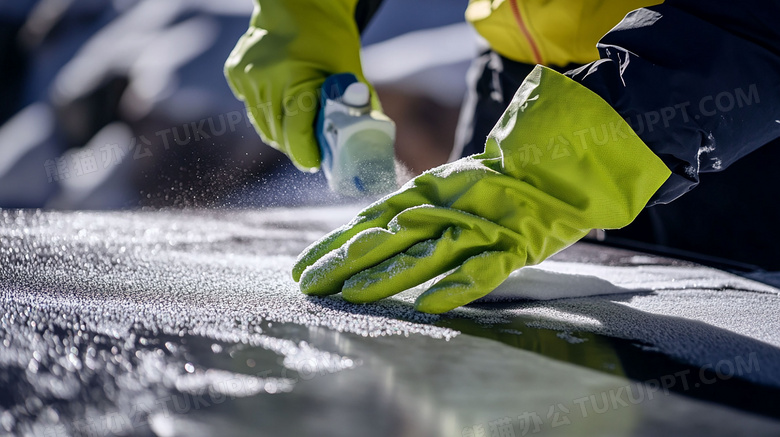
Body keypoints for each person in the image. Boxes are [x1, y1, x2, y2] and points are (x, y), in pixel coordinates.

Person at [225, 0, 780, 313]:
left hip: (723, 107)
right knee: (459, 336)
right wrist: (313, 10)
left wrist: (589, 155)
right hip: (521, 79)